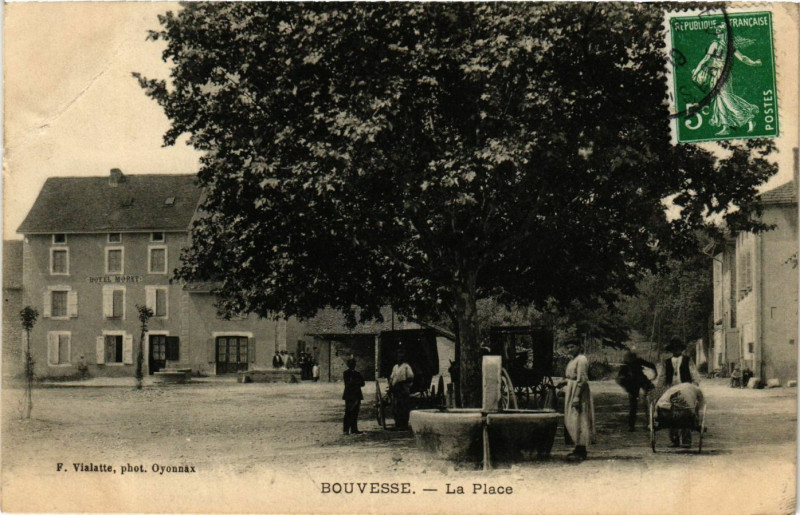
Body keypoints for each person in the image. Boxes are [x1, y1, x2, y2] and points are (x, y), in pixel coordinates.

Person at [691, 25, 762, 136]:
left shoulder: (727, 46)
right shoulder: (718, 44)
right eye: (717, 31)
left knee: (727, 99)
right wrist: (753, 63)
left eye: (719, 31)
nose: (718, 33)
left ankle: (748, 118)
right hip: (715, 75)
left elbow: (742, 58)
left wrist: (753, 63)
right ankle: (726, 127)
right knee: (719, 100)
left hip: (723, 75)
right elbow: (706, 59)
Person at [556, 338, 595, 462]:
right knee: (573, 419)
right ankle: (577, 447)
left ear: (579, 347)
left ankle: (581, 449)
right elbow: (572, 377)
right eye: (568, 347)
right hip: (571, 391)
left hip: (579, 392)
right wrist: (564, 382)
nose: (569, 349)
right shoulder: (573, 360)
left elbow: (582, 380)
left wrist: (577, 396)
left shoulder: (581, 360)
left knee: (580, 418)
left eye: (572, 347)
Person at [657, 337, 700, 447]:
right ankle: (674, 439)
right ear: (671, 350)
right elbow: (662, 376)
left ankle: (686, 440)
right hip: (671, 390)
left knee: (686, 413)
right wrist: (660, 389)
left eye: (678, 348)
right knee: (671, 414)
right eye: (674, 349)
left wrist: (694, 386)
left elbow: (694, 373)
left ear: (681, 349)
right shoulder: (667, 362)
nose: (676, 350)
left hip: (685, 389)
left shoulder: (687, 360)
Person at [617, 349, 657, 431]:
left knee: (647, 402)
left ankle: (650, 423)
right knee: (634, 405)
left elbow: (651, 365)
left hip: (641, 381)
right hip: (633, 384)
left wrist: (654, 376)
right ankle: (633, 425)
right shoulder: (625, 365)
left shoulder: (636, 361)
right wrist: (626, 387)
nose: (631, 360)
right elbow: (620, 379)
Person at [388, 348, 414, 430]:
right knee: (396, 407)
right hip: (396, 389)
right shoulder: (395, 367)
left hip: (403, 389)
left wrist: (402, 382)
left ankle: (404, 424)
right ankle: (397, 424)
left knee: (404, 406)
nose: (399, 358)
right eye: (398, 357)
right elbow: (391, 377)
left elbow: (411, 377)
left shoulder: (406, 366)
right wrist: (391, 385)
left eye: (401, 357)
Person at [342, 358, 365, 435]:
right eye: (351, 364)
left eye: (353, 364)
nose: (352, 365)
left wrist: (354, 382)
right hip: (349, 395)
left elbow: (362, 383)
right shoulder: (346, 373)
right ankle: (346, 430)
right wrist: (356, 382)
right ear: (348, 365)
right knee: (348, 412)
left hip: (357, 395)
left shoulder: (357, 373)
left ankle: (354, 429)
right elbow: (348, 383)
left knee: (355, 412)